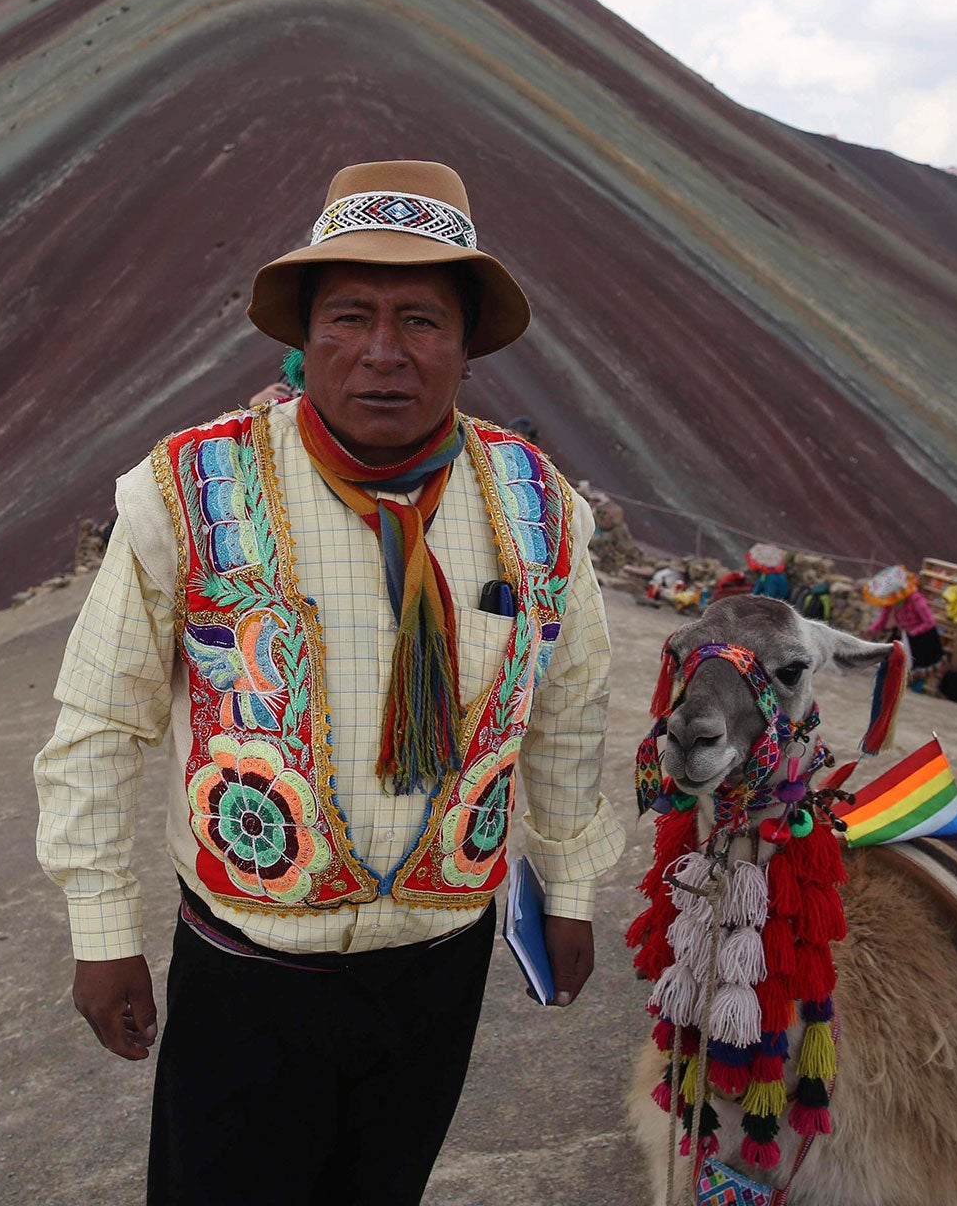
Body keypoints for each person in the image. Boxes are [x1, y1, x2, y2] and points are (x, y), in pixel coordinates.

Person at [35, 160, 623, 1206]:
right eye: (349, 316)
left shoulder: (537, 506)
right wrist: (100, 932)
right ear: (300, 341)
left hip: (441, 962)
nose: (383, 355)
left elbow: (568, 715)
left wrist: (567, 889)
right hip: (249, 970)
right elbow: (97, 716)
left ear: (468, 347)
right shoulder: (192, 489)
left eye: (421, 322)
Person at [861, 563, 946, 686]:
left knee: (923, 664)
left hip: (923, 636)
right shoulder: (893, 601)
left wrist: (914, 633)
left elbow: (930, 621)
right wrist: (872, 630)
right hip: (908, 634)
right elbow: (883, 619)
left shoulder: (916, 599)